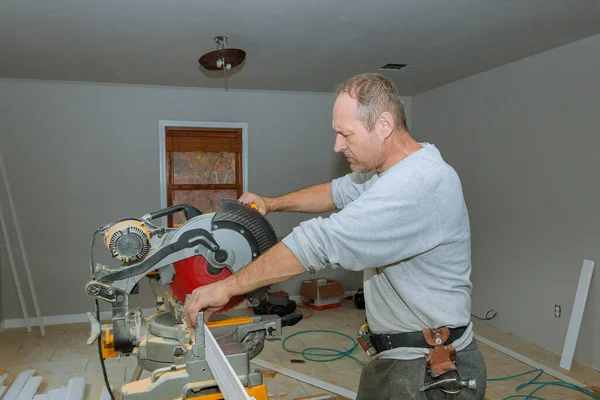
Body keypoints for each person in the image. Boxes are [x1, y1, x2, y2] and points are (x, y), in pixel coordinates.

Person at [184, 72, 487, 399]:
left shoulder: (419, 183)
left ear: (384, 125)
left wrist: (225, 288)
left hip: (428, 370)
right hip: (396, 357)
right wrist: (271, 204)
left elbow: (317, 242)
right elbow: (333, 193)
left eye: (346, 134)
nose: (338, 145)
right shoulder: (386, 173)